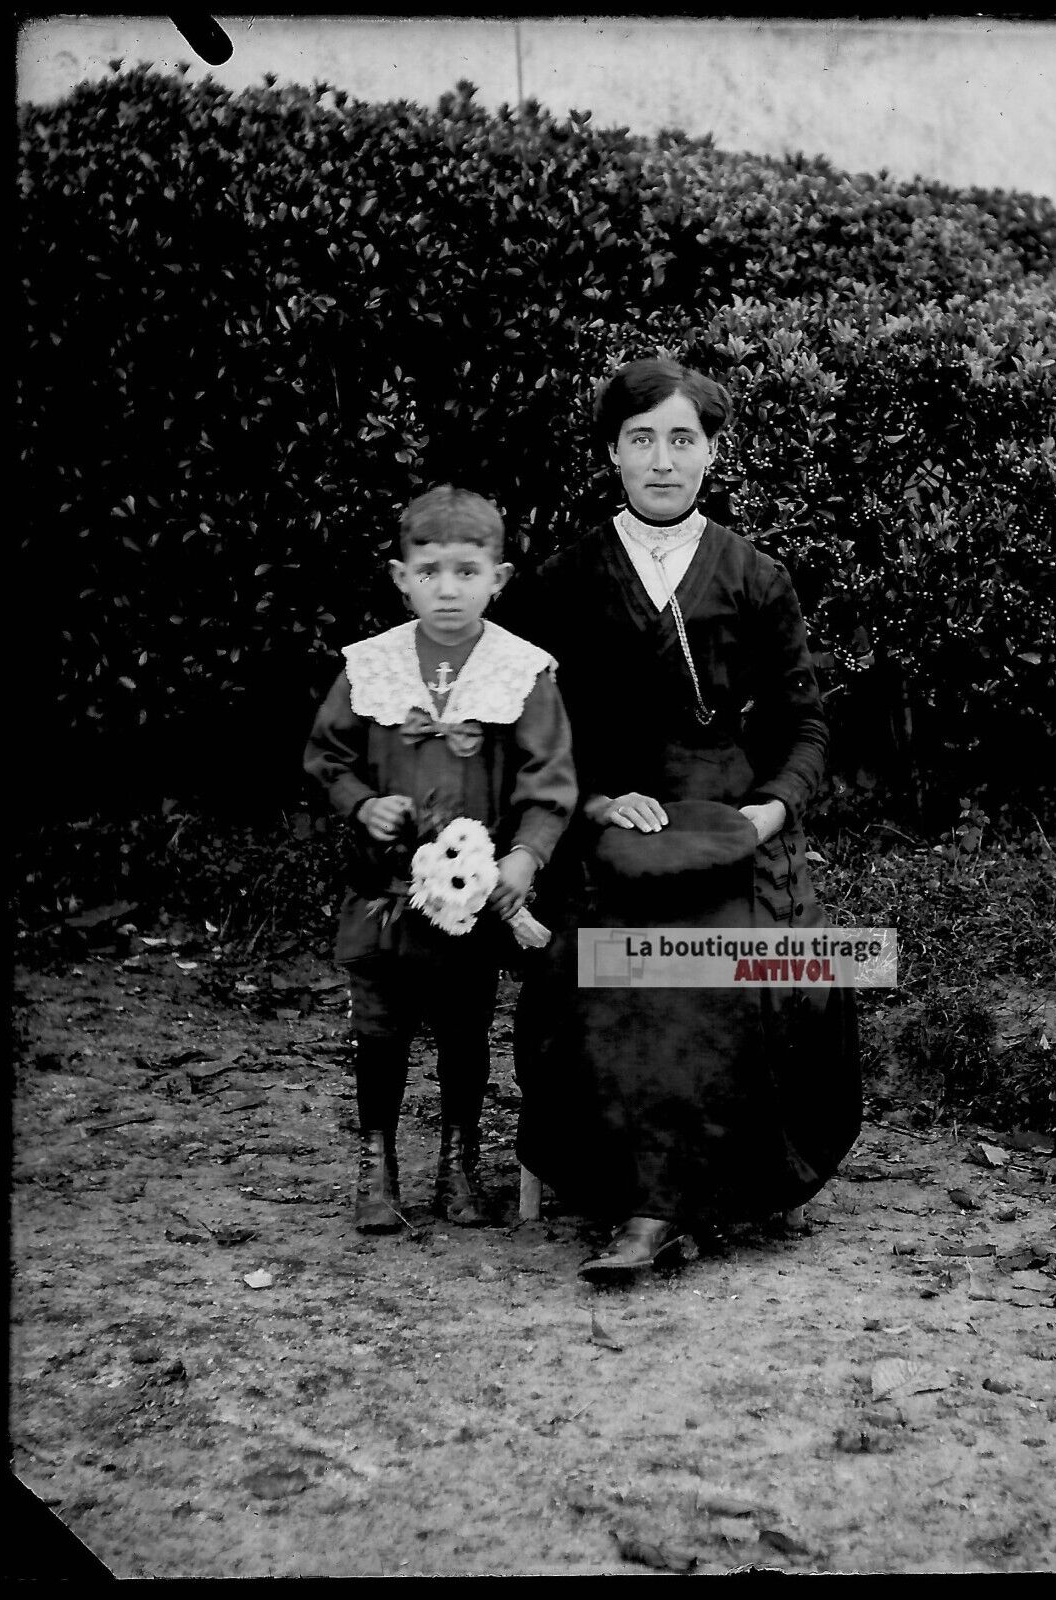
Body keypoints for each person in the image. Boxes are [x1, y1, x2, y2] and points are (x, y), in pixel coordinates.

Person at [506, 357, 861, 1280]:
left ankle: (685, 1201)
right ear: (611, 454)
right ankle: (649, 1202)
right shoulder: (563, 577)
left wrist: (769, 814)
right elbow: (533, 729)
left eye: (682, 439)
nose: (662, 460)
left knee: (726, 976)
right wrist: (586, 802)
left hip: (733, 832)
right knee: (612, 976)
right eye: (640, 440)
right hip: (607, 826)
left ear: (712, 453)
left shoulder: (756, 575)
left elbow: (805, 724)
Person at [304, 486, 577, 1234]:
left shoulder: (520, 672)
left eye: (466, 571)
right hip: (386, 889)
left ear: (499, 576)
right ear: (401, 577)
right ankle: (377, 1164)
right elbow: (328, 755)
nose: (447, 588)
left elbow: (548, 783)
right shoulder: (373, 665)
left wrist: (524, 856)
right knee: (381, 1025)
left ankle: (458, 1164)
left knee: (463, 1026)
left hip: (472, 894)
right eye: (429, 572)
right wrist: (364, 803)